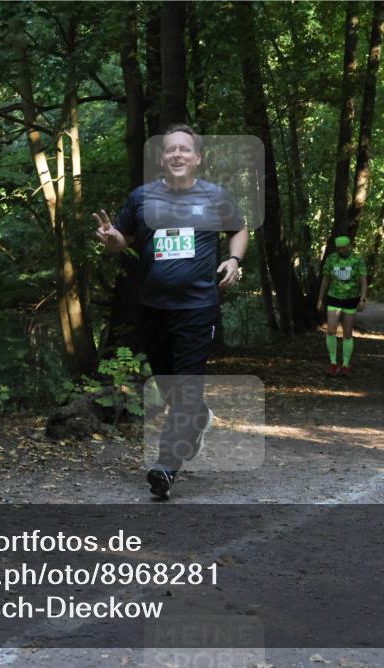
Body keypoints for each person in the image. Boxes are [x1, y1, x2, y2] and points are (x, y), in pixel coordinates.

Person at [94, 124, 248, 500]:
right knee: (169, 386)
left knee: (187, 384)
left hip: (198, 308)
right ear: (162, 158)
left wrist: (233, 259)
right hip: (153, 308)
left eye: (185, 149)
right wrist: (112, 239)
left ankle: (166, 465)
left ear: (197, 158)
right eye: (170, 150)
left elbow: (239, 229)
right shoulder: (142, 198)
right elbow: (121, 241)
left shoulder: (214, 196)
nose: (177, 154)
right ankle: (197, 418)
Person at [316, 235, 368, 377]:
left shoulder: (357, 259)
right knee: (331, 330)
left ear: (349, 246)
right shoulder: (331, 259)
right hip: (334, 298)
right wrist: (320, 299)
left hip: (351, 299)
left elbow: (363, 281)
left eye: (343, 247)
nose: (341, 250)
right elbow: (326, 280)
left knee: (347, 333)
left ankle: (345, 365)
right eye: (338, 248)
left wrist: (362, 299)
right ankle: (333, 363)